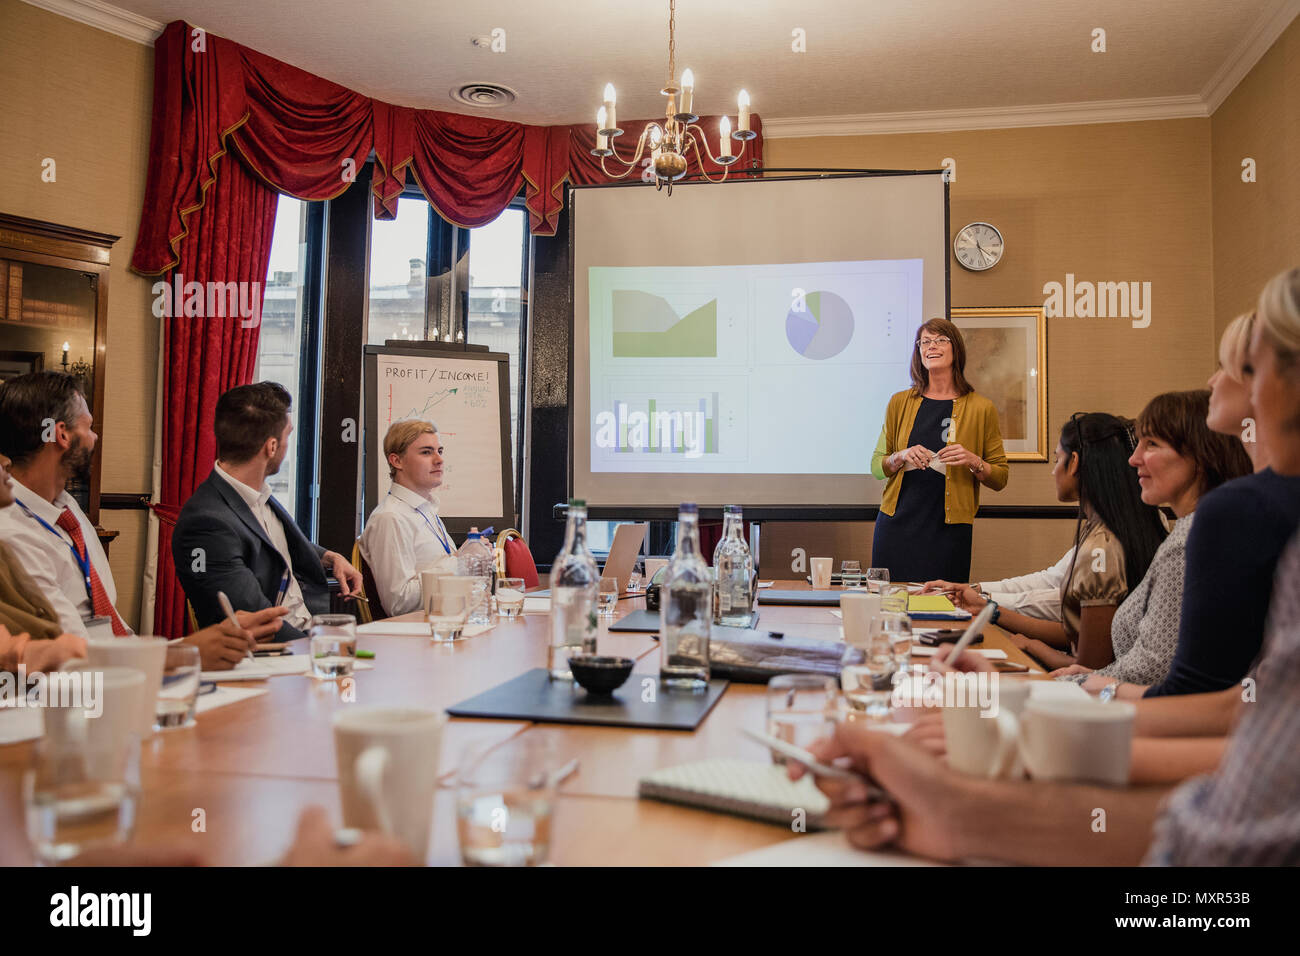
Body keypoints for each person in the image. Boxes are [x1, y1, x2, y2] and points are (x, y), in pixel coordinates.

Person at [1134, 290, 1300, 698]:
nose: (1212, 381)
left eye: (1228, 367)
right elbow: (1248, 698)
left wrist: (1092, 691)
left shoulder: (1237, 510)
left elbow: (1198, 693)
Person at [1050, 390, 1251, 689]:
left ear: (1200, 454)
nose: (1133, 459)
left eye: (1152, 444)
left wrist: (1083, 682)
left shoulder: (1189, 542)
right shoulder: (1192, 530)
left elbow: (1154, 667)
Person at [953, 413, 1167, 670]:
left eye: (1057, 460)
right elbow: (1079, 630)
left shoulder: (1101, 546)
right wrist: (988, 605)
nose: (1053, 471)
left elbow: (1088, 666)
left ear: (1074, 462)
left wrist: (1033, 646)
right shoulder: (1125, 526)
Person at [173, 382, 362, 642]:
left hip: (311, 635)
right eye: (288, 435)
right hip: (277, 655)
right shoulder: (206, 523)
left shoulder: (256, 494)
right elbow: (259, 621)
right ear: (271, 447)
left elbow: (273, 547)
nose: (287, 445)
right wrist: (322, 648)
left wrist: (329, 557)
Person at [870, 318, 1008, 582]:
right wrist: (901, 456)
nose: (931, 346)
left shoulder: (981, 408)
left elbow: (1000, 477)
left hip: (949, 531)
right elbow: (877, 466)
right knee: (889, 606)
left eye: (940, 340)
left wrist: (973, 460)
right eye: (924, 342)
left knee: (945, 610)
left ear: (955, 348)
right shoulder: (899, 402)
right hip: (897, 525)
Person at [0, 372, 129, 637]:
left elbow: (110, 620)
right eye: (89, 427)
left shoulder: (66, 507)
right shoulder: (11, 533)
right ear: (62, 435)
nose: (94, 438)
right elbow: (73, 650)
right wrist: (186, 653)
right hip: (79, 673)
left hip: (114, 658)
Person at [360, 420, 456, 616]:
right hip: (415, 638)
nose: (439, 460)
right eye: (426, 452)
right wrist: (459, 563)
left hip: (443, 623)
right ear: (397, 461)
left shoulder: (426, 510)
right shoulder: (390, 518)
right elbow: (399, 604)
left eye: (440, 451)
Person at [921, 549, 1075, 623]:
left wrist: (985, 602)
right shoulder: (1091, 528)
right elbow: (1050, 580)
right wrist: (972, 589)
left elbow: (1068, 601)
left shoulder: (1096, 543)